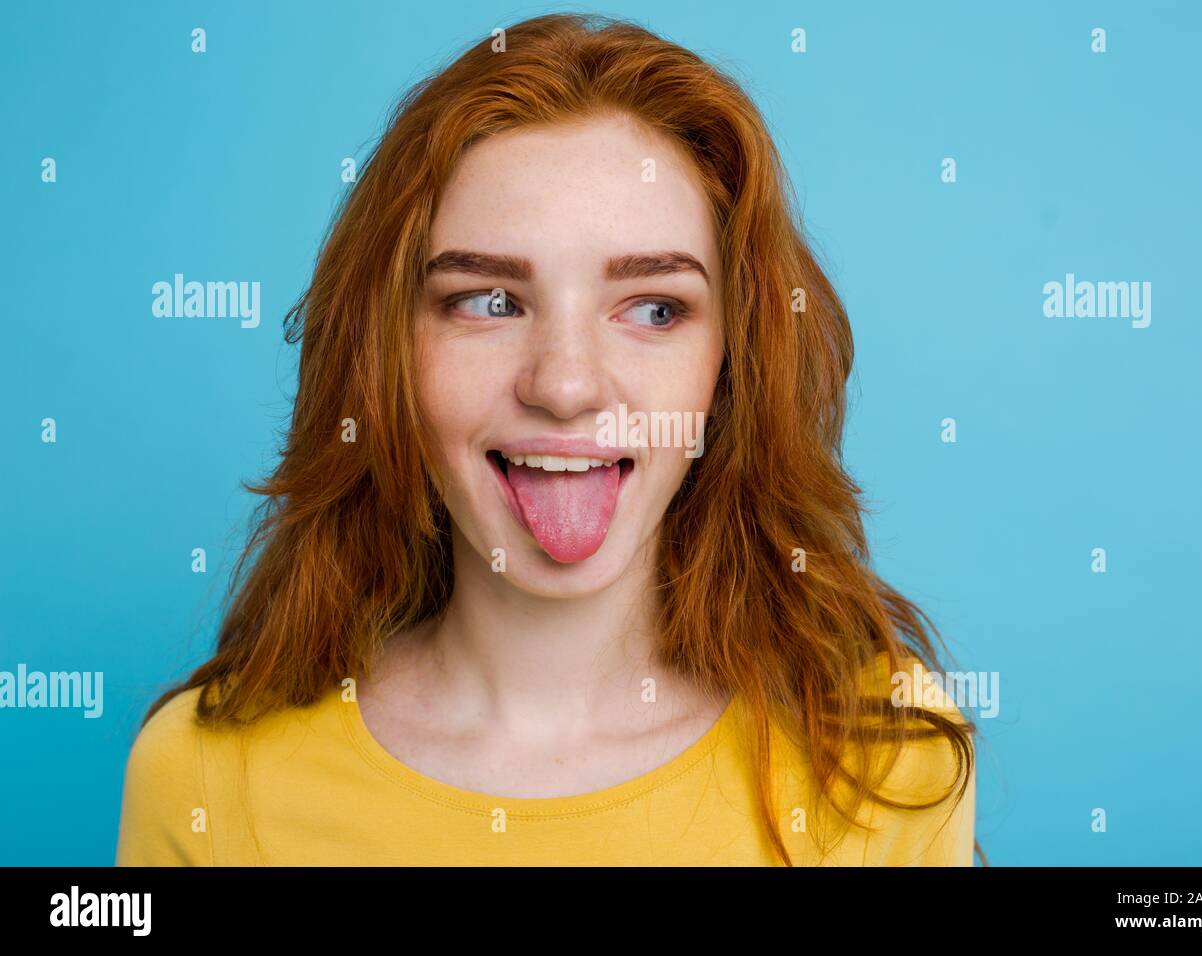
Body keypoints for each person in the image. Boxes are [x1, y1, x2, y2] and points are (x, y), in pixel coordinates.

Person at [116, 12, 980, 866]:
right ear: (387, 355)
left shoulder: (883, 760)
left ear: (733, 363)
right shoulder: (202, 778)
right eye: (489, 302)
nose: (565, 387)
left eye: (653, 309)